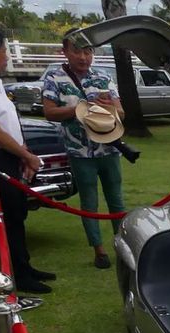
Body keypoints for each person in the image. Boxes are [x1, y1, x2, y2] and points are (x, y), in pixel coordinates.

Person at [41, 29, 125, 270]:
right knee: (89, 201)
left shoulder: (102, 77)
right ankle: (99, 250)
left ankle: (122, 246)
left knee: (116, 199)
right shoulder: (55, 78)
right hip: (79, 152)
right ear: (65, 51)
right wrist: (79, 108)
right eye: (77, 51)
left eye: (88, 51)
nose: (83, 57)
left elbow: (121, 113)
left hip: (108, 149)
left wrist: (110, 108)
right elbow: (49, 112)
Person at [0, 24, 53, 293]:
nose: (7, 57)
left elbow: (10, 122)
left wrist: (25, 154)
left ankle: (24, 266)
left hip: (11, 157)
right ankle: (16, 275)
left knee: (17, 214)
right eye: (4, 51)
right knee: (6, 218)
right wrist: (25, 154)